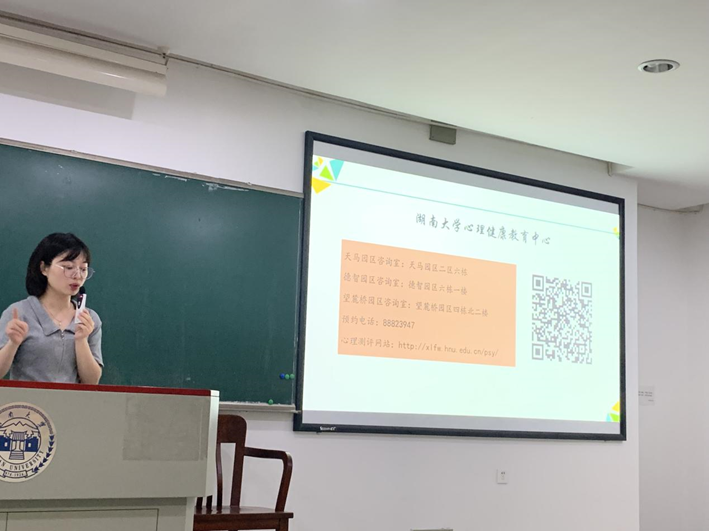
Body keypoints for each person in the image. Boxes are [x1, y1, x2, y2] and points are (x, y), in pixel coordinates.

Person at [0, 233, 103, 384]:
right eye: (68, 267)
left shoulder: (89, 319)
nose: (77, 275)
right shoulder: (19, 313)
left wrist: (81, 340)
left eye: (83, 269)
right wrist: (12, 344)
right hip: (28, 399)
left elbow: (91, 382)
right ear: (44, 268)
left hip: (71, 399)